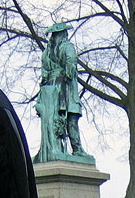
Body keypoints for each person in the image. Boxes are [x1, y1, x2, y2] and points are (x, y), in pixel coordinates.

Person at [34, 22, 90, 163]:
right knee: (71, 118)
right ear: (63, 34)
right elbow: (71, 63)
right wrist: (68, 74)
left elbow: (44, 73)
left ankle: (55, 147)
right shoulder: (67, 47)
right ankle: (77, 149)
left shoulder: (46, 53)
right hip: (65, 88)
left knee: (54, 119)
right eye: (65, 33)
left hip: (50, 89)